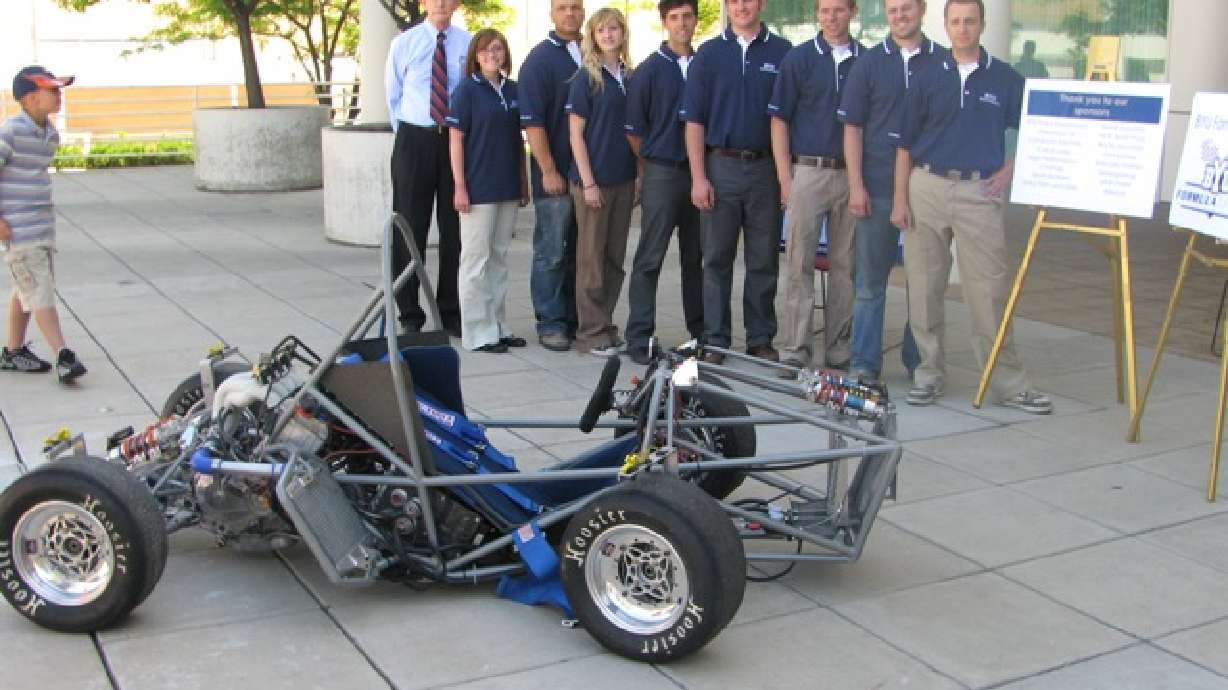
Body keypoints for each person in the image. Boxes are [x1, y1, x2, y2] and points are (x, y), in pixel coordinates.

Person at [890, 0, 1051, 414]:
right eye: (955, 21)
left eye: (970, 21)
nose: (962, 28)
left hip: (980, 193)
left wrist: (1009, 170)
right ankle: (928, 374)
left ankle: (1008, 382)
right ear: (945, 25)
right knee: (924, 287)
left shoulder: (1005, 79)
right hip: (926, 185)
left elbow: (1037, 129)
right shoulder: (925, 77)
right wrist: (899, 200)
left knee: (989, 290)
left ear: (983, 24)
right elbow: (904, 144)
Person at [682, 0, 792, 365]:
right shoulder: (709, 55)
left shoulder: (782, 52)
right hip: (720, 167)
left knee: (763, 259)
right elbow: (694, 121)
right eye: (734, 1)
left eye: (749, 0)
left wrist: (784, 175)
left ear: (761, 4)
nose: (742, 6)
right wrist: (698, 177)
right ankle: (715, 340)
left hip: (764, 170)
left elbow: (788, 120)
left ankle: (760, 338)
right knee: (715, 259)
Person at [837, 0, 939, 381]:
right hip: (876, 188)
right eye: (893, 10)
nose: (900, 16)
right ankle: (864, 363)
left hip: (928, 189)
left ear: (922, 10)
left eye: (906, 8)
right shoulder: (869, 63)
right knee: (869, 282)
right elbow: (853, 128)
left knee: (923, 284)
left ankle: (918, 363)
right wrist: (855, 184)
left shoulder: (942, 62)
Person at [769, 0, 864, 376]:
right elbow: (779, 120)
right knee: (799, 263)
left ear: (852, 12)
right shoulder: (799, 59)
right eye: (825, 10)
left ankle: (839, 349)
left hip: (851, 175)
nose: (831, 17)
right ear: (817, 14)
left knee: (845, 266)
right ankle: (795, 347)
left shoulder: (866, 61)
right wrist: (785, 178)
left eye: (839, 10)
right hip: (807, 171)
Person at [623, 0, 704, 365]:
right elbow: (635, 132)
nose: (681, 24)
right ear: (664, 22)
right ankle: (639, 335)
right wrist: (653, 166)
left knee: (697, 256)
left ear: (696, 20)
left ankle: (701, 334)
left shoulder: (707, 64)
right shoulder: (649, 71)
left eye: (687, 16)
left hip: (702, 173)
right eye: (674, 18)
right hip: (663, 171)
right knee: (650, 257)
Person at [385, 0, 470, 337]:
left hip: (454, 140)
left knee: (455, 229)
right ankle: (409, 313)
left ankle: (450, 309)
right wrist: (413, 135)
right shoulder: (403, 43)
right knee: (408, 227)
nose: (441, 4)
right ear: (423, 3)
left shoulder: (468, 43)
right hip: (414, 139)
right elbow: (393, 96)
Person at [446, 29, 530, 354]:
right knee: (476, 261)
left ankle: (498, 325)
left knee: (499, 258)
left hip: (506, 185)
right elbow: (456, 139)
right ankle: (478, 332)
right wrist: (460, 186)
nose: (491, 56)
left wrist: (523, 183)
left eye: (497, 50)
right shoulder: (467, 90)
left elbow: (518, 141)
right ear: (475, 57)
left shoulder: (513, 90)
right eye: (485, 51)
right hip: (478, 188)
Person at [0, 66, 86, 382]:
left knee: (27, 289)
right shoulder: (9, 132)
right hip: (19, 231)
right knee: (40, 292)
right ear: (30, 97)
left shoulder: (49, 135)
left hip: (41, 229)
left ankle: (13, 351)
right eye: (52, 90)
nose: (59, 95)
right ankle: (63, 354)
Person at [566, 8, 637, 357]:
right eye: (601, 30)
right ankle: (591, 332)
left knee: (613, 259)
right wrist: (589, 182)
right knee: (591, 259)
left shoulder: (630, 75)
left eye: (614, 29)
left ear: (623, 33)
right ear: (592, 36)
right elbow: (576, 135)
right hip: (593, 182)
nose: (608, 35)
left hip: (623, 180)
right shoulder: (586, 79)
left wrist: (637, 177)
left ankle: (606, 324)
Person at [520, 0, 586, 352]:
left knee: (581, 251)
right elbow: (533, 122)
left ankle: (577, 319)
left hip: (589, 176)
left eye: (576, 7)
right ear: (552, 13)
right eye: (563, 8)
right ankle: (551, 322)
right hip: (557, 174)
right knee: (552, 250)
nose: (570, 13)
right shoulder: (540, 60)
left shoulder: (593, 52)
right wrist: (547, 169)